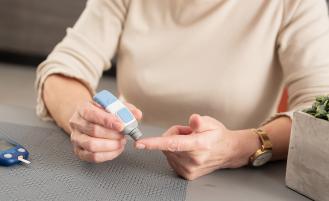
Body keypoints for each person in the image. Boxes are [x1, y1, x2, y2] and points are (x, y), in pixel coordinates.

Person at [36, 0, 329, 180]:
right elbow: (63, 68)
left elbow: (321, 106)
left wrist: (237, 148)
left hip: (239, 177)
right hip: (127, 167)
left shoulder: (296, 3)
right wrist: (82, 118)